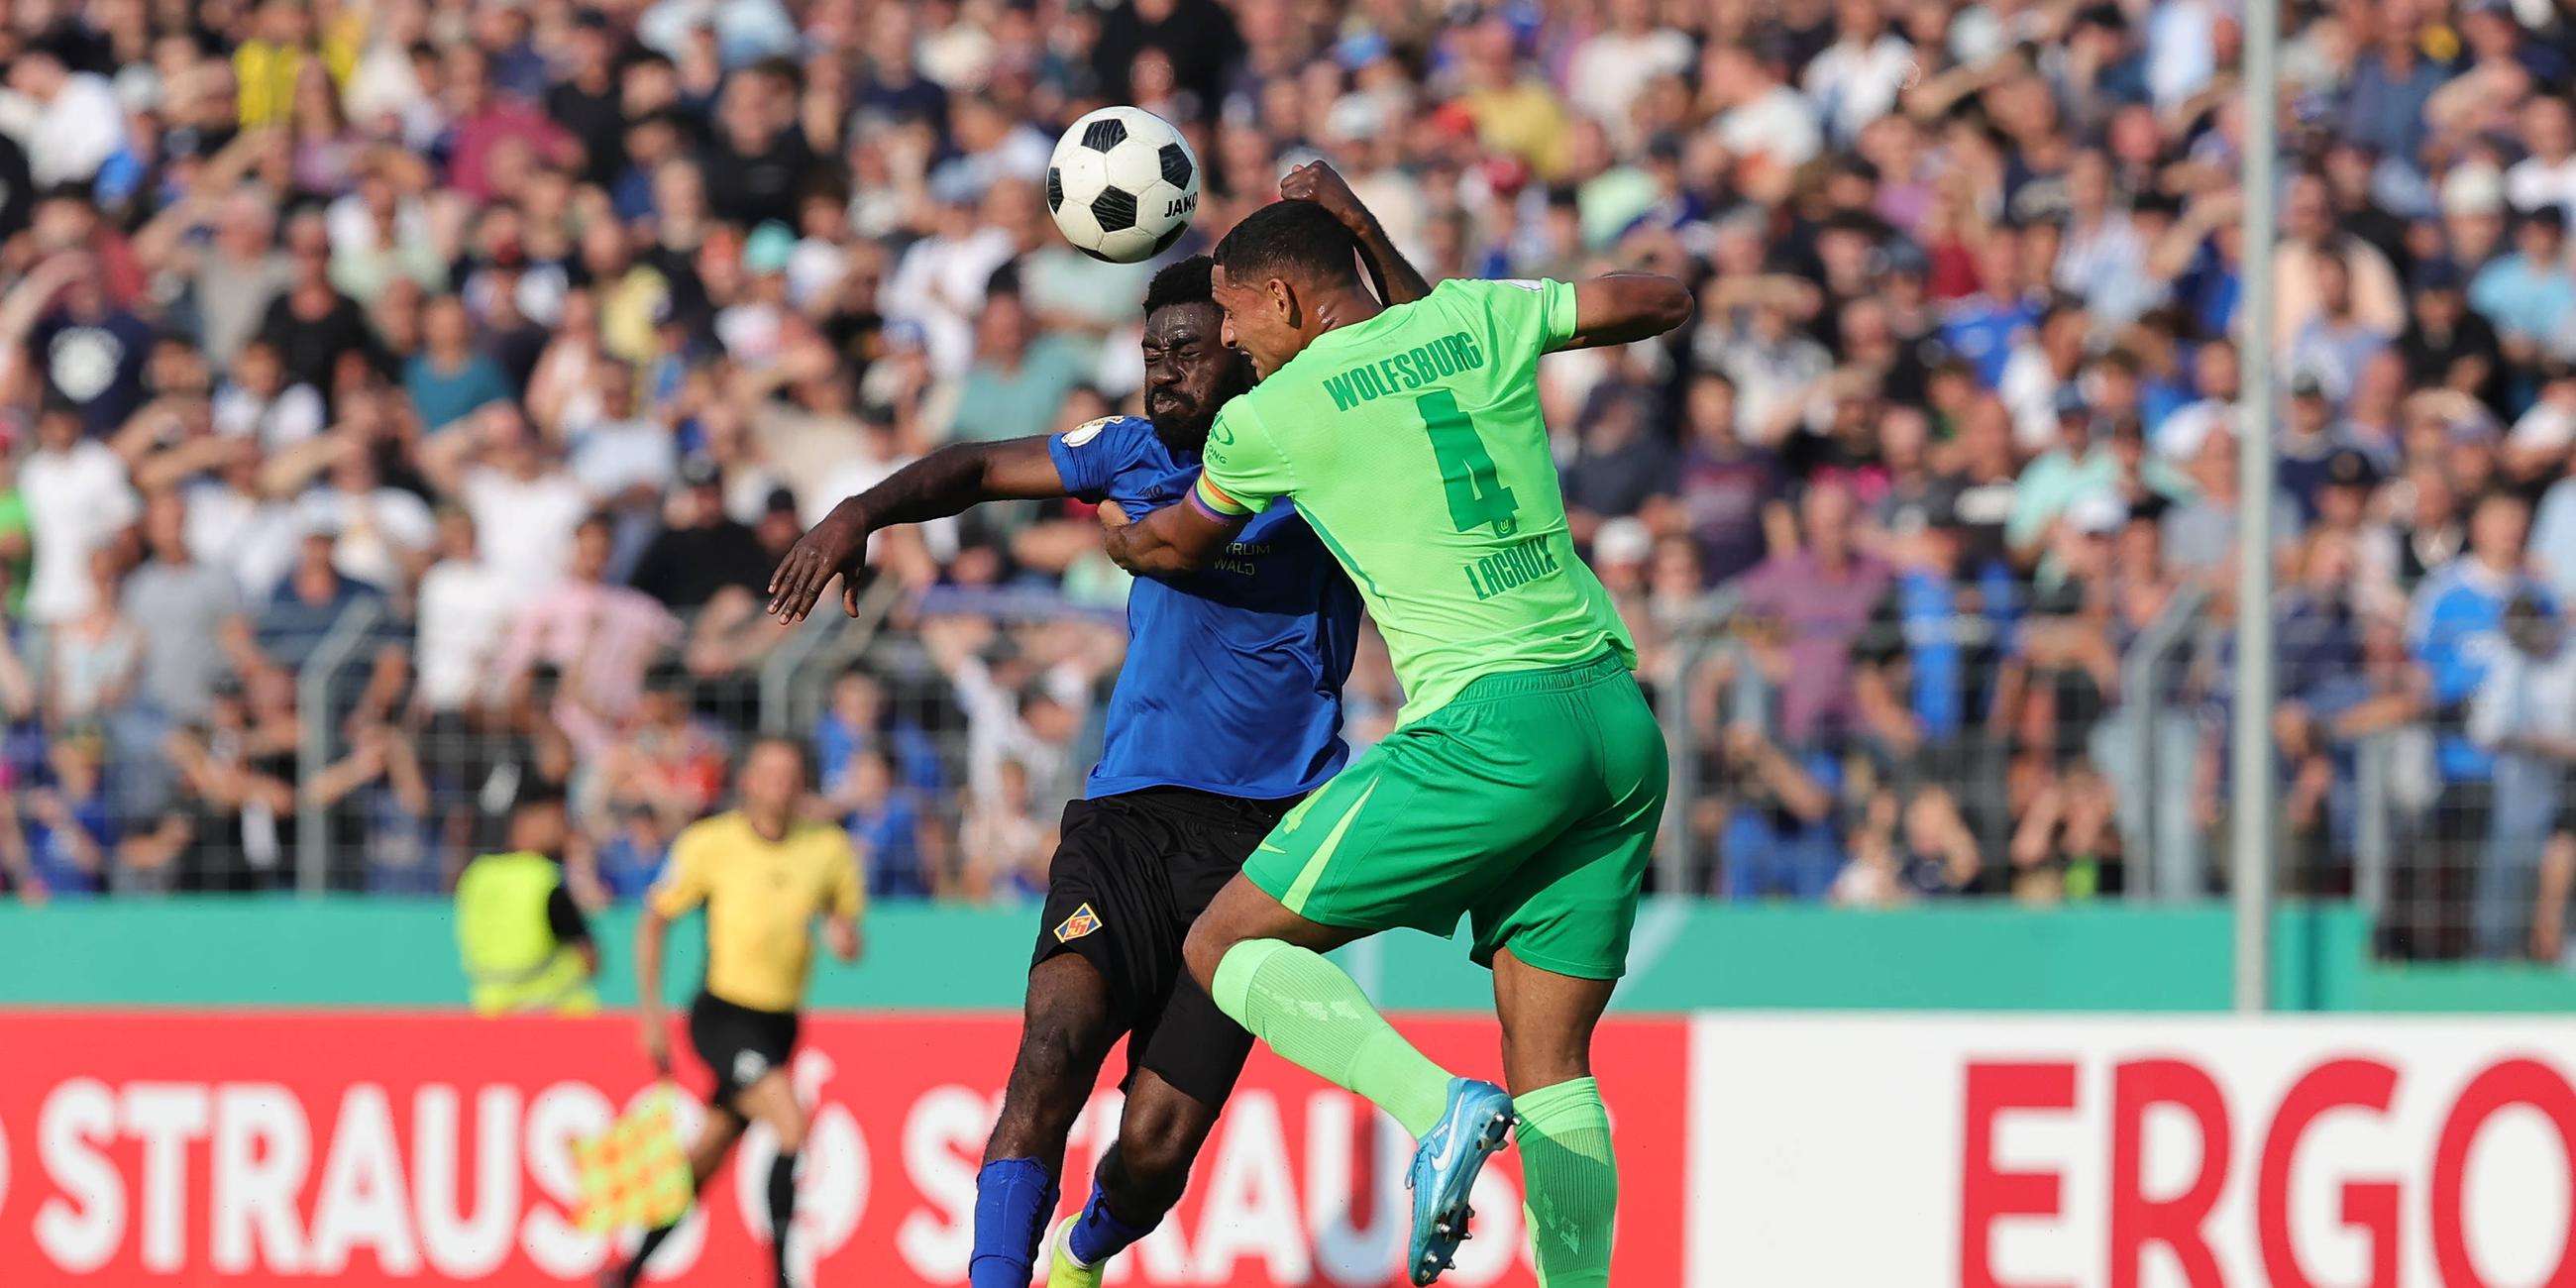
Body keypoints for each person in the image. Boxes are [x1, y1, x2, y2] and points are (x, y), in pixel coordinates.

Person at [767, 161, 1409, 1288]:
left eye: (1187, 349)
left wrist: (1354, 226)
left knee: (1151, 1157)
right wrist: (859, 510)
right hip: (1122, 821)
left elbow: (1411, 355)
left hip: (1262, 846)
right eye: (1150, 350)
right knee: (1049, 1051)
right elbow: (972, 467)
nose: (1160, 369)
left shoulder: (1316, 446)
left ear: (1248, 347)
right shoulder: (1128, 451)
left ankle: (1082, 1255)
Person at [1095, 196, 1693, 1284]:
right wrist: (1365, 224)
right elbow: (1661, 297)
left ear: (1278, 297)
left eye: (1231, 319)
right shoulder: (1469, 316)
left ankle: (1436, 1107)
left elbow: (1181, 544)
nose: (1227, 342)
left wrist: (1122, 536)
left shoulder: (1271, 415)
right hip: (1615, 721)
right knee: (1553, 1060)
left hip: (1488, 727)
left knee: (1223, 945)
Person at [615, 738, 863, 1288]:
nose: (779, 782)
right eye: (768, 771)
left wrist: (844, 938)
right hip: (722, 1016)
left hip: (780, 1025)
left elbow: (847, 929)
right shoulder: (710, 843)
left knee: (706, 1157)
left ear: (802, 784)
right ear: (746, 780)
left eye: (790, 773)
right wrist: (650, 1016)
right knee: (792, 1124)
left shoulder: (827, 851)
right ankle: (781, 1277)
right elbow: (654, 920)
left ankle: (624, 1273)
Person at [453, 788, 597, 1015]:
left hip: (490, 1011)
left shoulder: (477, 876)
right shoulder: (543, 879)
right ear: (527, 822)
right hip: (552, 1015)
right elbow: (590, 960)